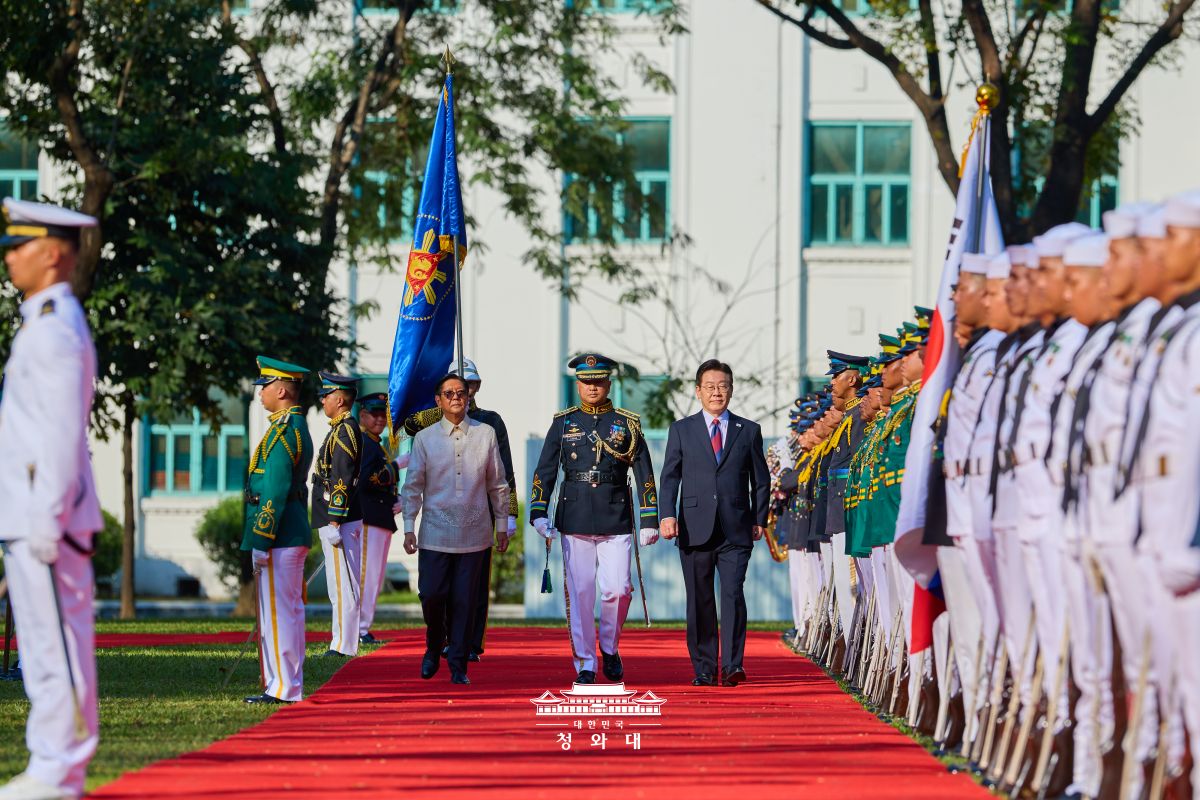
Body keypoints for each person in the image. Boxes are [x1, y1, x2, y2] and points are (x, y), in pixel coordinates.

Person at [0, 198, 103, 800]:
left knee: (59, 645)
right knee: (42, 642)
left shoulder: (58, 327)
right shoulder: (41, 321)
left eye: (20, 244)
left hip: (49, 518)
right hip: (30, 513)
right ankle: (51, 761)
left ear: (55, 253)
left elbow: (62, 436)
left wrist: (47, 518)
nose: (10, 256)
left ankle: (61, 765)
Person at [529, 353, 660, 684]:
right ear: (578, 384)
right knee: (582, 592)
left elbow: (644, 471)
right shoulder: (563, 423)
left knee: (619, 589)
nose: (592, 387)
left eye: (598, 381)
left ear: (609, 384)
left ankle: (610, 647)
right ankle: (586, 663)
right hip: (574, 515)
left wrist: (649, 517)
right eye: (586, 381)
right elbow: (545, 470)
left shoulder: (627, 422)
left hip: (615, 513)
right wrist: (538, 512)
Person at [659, 359, 770, 687]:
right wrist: (666, 515)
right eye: (710, 387)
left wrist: (759, 517)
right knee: (700, 599)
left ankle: (733, 665)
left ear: (732, 390)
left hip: (736, 527)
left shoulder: (748, 431)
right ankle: (704, 667)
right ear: (698, 391)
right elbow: (670, 477)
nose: (716, 392)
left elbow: (760, 480)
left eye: (723, 386)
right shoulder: (682, 429)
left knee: (733, 594)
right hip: (694, 527)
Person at [404, 358, 517, 662]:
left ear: (475, 389)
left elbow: (503, 475)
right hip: (437, 525)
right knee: (435, 591)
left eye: (465, 389)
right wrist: (444, 404)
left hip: (478, 518)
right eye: (450, 391)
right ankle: (441, 639)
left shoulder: (490, 423)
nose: (459, 396)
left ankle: (468, 645)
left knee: (472, 592)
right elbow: (409, 425)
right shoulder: (430, 426)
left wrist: (509, 515)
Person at [242, 356, 314, 705]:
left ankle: (284, 687)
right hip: (287, 534)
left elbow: (274, 490)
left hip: (281, 535)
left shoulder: (285, 431)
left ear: (282, 389)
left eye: (265, 386)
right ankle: (282, 683)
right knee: (285, 611)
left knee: (280, 613)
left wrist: (261, 538)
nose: (261, 393)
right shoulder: (286, 427)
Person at [312, 372, 364, 658]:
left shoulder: (345, 430)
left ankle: (344, 645)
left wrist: (334, 519)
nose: (322, 399)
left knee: (344, 584)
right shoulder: (339, 428)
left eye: (326, 394)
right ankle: (341, 640)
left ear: (340, 399)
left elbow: (341, 476)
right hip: (336, 516)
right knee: (338, 583)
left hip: (339, 518)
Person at [355, 392, 400, 645]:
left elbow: (380, 483)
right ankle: (359, 628)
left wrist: (397, 497)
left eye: (383, 415)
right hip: (369, 518)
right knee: (367, 576)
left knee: (374, 577)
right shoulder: (364, 443)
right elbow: (367, 480)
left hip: (380, 517)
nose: (380, 419)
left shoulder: (375, 443)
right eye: (374, 414)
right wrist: (396, 467)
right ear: (363, 415)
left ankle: (363, 626)